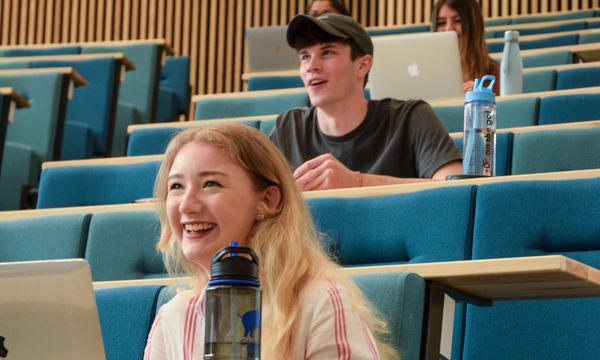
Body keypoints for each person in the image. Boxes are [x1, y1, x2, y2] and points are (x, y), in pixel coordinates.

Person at [144, 124, 399, 359]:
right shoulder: (172, 319)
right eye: (176, 186)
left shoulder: (321, 302)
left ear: (267, 201)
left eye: (210, 184)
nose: (187, 205)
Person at [269, 14, 463, 191]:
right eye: (305, 57)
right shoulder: (287, 128)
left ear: (362, 65)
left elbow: (455, 189)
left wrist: (357, 183)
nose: (311, 66)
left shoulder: (411, 118)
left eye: (327, 52)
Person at [432, 0, 500, 95]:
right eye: (442, 23)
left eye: (458, 21)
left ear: (474, 26)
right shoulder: (429, 73)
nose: (449, 29)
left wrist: (481, 97)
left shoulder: (496, 73)